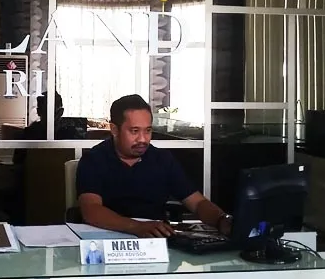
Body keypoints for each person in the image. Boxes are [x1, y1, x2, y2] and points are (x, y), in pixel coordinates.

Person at [76, 94, 232, 238]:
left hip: (156, 242)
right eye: (134, 131)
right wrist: (137, 227)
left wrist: (222, 219)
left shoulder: (163, 160)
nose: (143, 139)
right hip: (108, 241)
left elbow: (197, 203)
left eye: (148, 131)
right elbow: (91, 210)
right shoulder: (94, 160)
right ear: (114, 129)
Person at [12, 91, 79, 164]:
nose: (50, 117)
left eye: (53, 112)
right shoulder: (28, 133)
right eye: (46, 111)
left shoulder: (71, 133)